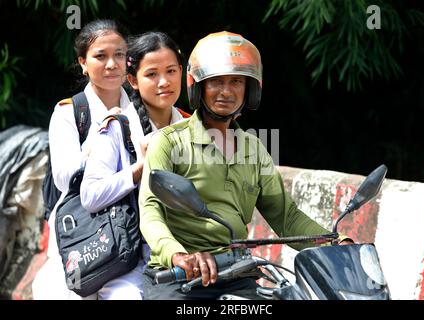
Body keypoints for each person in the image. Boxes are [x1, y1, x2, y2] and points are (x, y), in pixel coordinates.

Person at [138, 31, 352, 300]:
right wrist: (177, 254)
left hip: (238, 275)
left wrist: (337, 243)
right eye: (215, 81)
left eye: (236, 81)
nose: (226, 91)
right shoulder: (169, 142)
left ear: (249, 89)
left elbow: (287, 217)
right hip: (181, 278)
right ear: (198, 86)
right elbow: (151, 210)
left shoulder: (255, 149)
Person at [78, 31, 187, 299]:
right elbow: (90, 196)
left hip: (182, 259)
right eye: (151, 74)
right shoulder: (117, 127)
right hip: (125, 265)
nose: (164, 82)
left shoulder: (192, 126)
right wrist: (140, 169)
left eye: (171, 71)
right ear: (132, 80)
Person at [32, 19, 136, 300]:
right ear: (83, 62)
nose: (111, 64)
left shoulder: (141, 108)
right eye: (100, 56)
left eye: (118, 55)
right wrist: (101, 138)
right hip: (82, 233)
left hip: (132, 233)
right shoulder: (69, 112)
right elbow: (65, 177)